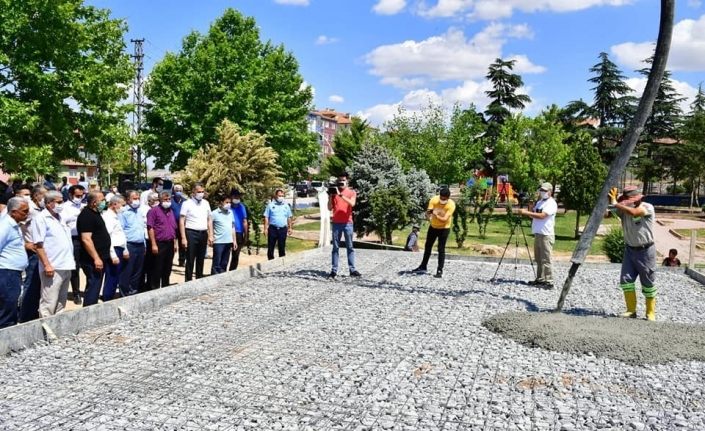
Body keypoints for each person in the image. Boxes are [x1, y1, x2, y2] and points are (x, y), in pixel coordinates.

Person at [608, 185, 658, 321]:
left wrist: (617, 204)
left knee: (648, 281)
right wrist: (610, 201)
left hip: (646, 250)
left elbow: (635, 213)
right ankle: (631, 310)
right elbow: (608, 213)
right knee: (626, 280)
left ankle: (650, 312)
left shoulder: (647, 207)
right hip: (630, 250)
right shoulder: (624, 209)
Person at [31, 191, 74, 317]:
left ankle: (57, 330)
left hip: (66, 264)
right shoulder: (41, 218)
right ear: (49, 203)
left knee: (61, 302)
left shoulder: (60, 218)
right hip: (53, 266)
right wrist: (47, 265)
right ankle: (46, 333)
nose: (62, 204)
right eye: (59, 202)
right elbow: (38, 246)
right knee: (49, 303)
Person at [519, 182, 557, 289]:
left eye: (545, 191)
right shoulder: (540, 202)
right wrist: (530, 206)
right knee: (538, 258)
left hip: (546, 234)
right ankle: (540, 279)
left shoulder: (551, 203)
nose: (542, 192)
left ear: (550, 192)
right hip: (538, 233)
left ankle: (549, 281)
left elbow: (542, 216)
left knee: (546, 258)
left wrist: (526, 213)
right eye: (541, 190)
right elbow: (533, 215)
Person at [76, 191, 111, 306]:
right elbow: (86, 239)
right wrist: (96, 258)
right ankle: (89, 310)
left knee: (96, 285)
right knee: (94, 285)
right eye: (102, 200)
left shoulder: (96, 213)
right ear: (94, 202)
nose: (105, 202)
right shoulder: (86, 215)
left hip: (101, 256)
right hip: (92, 260)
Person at [0, 198, 30, 328]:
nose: (27, 214)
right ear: (13, 212)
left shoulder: (14, 225)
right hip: (7, 272)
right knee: (8, 305)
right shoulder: (5, 226)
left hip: (13, 271)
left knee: (12, 305)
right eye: (24, 211)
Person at [18, 185, 46, 322]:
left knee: (39, 285)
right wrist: (24, 243)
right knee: (31, 285)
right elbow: (16, 226)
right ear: (36, 196)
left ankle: (33, 314)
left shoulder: (42, 209)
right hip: (32, 252)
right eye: (44, 195)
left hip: (41, 251)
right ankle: (25, 318)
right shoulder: (29, 209)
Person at [413, 187, 455, 278]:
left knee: (441, 248)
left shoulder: (451, 205)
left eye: (444, 199)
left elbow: (444, 219)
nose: (442, 200)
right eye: (441, 197)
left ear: (448, 198)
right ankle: (423, 266)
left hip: (444, 228)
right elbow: (428, 213)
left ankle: (440, 270)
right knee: (428, 246)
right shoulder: (434, 200)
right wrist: (428, 216)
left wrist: (435, 214)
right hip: (433, 227)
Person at [328, 173, 361, 279]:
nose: (341, 183)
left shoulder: (351, 192)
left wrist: (341, 195)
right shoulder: (334, 193)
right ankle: (334, 270)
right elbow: (329, 208)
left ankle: (352, 269)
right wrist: (330, 196)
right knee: (335, 247)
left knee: (350, 247)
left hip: (348, 223)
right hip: (336, 223)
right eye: (339, 181)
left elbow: (352, 204)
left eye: (343, 181)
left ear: (347, 182)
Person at [179, 184, 212, 281]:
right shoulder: (187, 203)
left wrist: (210, 235)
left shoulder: (206, 203)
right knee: (190, 258)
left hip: (203, 233)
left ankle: (199, 279)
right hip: (191, 233)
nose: (201, 194)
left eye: (202, 192)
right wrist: (183, 238)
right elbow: (181, 221)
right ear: (193, 192)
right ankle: (188, 281)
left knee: (201, 258)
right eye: (199, 192)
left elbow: (209, 219)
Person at [147, 192, 178, 289]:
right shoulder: (153, 211)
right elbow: (150, 227)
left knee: (167, 267)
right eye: (165, 199)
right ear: (160, 200)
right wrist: (153, 244)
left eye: (169, 199)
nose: (167, 201)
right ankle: (154, 288)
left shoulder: (171, 211)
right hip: (159, 243)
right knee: (157, 268)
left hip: (170, 243)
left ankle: (165, 287)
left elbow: (174, 228)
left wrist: (175, 243)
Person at [61, 185, 86, 304]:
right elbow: (63, 222)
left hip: (85, 238)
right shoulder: (64, 207)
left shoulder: (84, 205)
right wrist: (77, 215)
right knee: (75, 267)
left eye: (82, 196)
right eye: (77, 196)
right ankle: (76, 293)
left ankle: (87, 290)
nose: (80, 198)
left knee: (88, 265)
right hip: (73, 238)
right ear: (70, 195)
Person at [102, 195, 128, 301]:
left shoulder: (115, 215)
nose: (123, 207)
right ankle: (107, 298)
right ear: (115, 204)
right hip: (114, 250)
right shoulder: (108, 217)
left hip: (120, 248)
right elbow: (108, 237)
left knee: (116, 276)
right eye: (122, 205)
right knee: (112, 276)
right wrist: (113, 255)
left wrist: (125, 249)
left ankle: (110, 296)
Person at [118, 191, 145, 296]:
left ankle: (133, 291)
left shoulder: (139, 211)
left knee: (137, 272)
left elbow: (142, 229)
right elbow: (121, 231)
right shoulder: (123, 213)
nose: (136, 200)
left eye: (138, 198)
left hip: (140, 245)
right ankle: (124, 293)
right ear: (128, 200)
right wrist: (124, 249)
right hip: (129, 245)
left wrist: (144, 245)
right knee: (127, 271)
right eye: (134, 198)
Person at [210, 196, 237, 274]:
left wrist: (234, 241)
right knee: (216, 262)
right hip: (218, 241)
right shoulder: (214, 213)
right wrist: (211, 236)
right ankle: (214, 278)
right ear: (221, 202)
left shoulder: (230, 212)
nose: (228, 204)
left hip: (228, 241)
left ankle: (222, 278)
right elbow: (210, 225)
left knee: (224, 262)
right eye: (227, 202)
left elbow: (232, 227)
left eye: (230, 203)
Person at [263, 189, 292, 261]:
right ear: (276, 196)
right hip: (273, 229)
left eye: (282, 196)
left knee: (282, 247)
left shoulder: (286, 206)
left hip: (282, 229)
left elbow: (289, 217)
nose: (281, 197)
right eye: (279, 195)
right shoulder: (270, 205)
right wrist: (265, 229)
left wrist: (290, 228)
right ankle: (270, 262)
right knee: (270, 248)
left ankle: (282, 263)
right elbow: (266, 217)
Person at [229, 189, 249, 271]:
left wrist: (246, 234)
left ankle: (232, 271)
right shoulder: (227, 206)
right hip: (227, 232)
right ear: (231, 197)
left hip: (238, 233)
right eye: (235, 196)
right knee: (225, 254)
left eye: (238, 196)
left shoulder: (242, 207)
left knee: (236, 254)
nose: (236, 198)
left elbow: (244, 221)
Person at [171, 184, 187, 266]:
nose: (178, 191)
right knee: (172, 245)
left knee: (182, 244)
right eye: (177, 190)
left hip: (182, 226)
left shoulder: (185, 201)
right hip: (172, 226)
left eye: (180, 190)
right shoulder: (170, 200)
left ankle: (182, 260)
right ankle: (170, 260)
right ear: (173, 191)